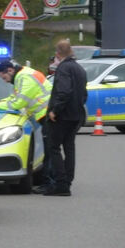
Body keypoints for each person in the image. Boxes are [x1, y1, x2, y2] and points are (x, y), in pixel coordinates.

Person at [39, 39, 88, 197]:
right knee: (69, 148)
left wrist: (55, 110)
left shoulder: (63, 68)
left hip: (63, 115)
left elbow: (64, 91)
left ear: (58, 54)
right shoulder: (80, 69)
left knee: (54, 148)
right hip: (76, 115)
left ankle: (61, 183)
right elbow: (84, 94)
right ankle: (68, 181)